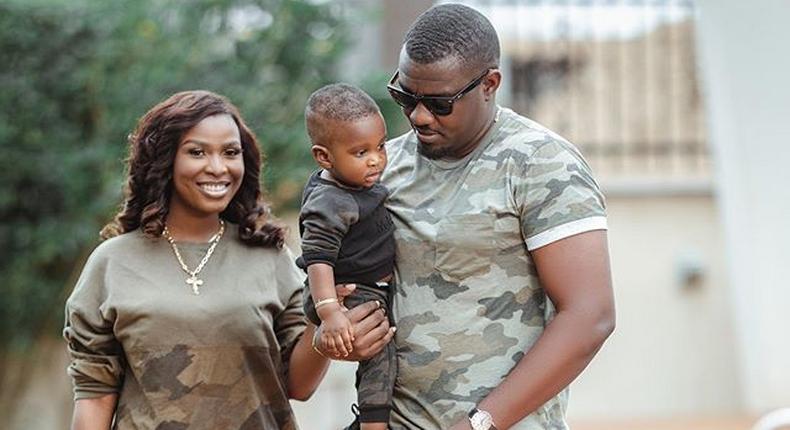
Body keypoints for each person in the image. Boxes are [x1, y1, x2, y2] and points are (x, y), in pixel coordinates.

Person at [62, 90, 391, 429]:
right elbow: (95, 398)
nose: (218, 167)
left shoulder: (271, 257)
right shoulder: (112, 263)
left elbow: (298, 386)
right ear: (165, 159)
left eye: (230, 152)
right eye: (197, 152)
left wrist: (323, 325)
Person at [380, 4, 615, 429]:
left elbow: (589, 314)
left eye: (438, 103)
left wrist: (480, 423)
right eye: (405, 96)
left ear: (490, 84)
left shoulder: (540, 164)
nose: (418, 116)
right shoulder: (384, 168)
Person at [296, 84, 397, 430]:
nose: (376, 159)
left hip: (360, 284)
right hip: (342, 290)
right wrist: (330, 312)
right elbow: (318, 258)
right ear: (324, 157)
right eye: (360, 152)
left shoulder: (358, 183)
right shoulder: (330, 203)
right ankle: (372, 424)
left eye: (380, 146)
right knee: (381, 351)